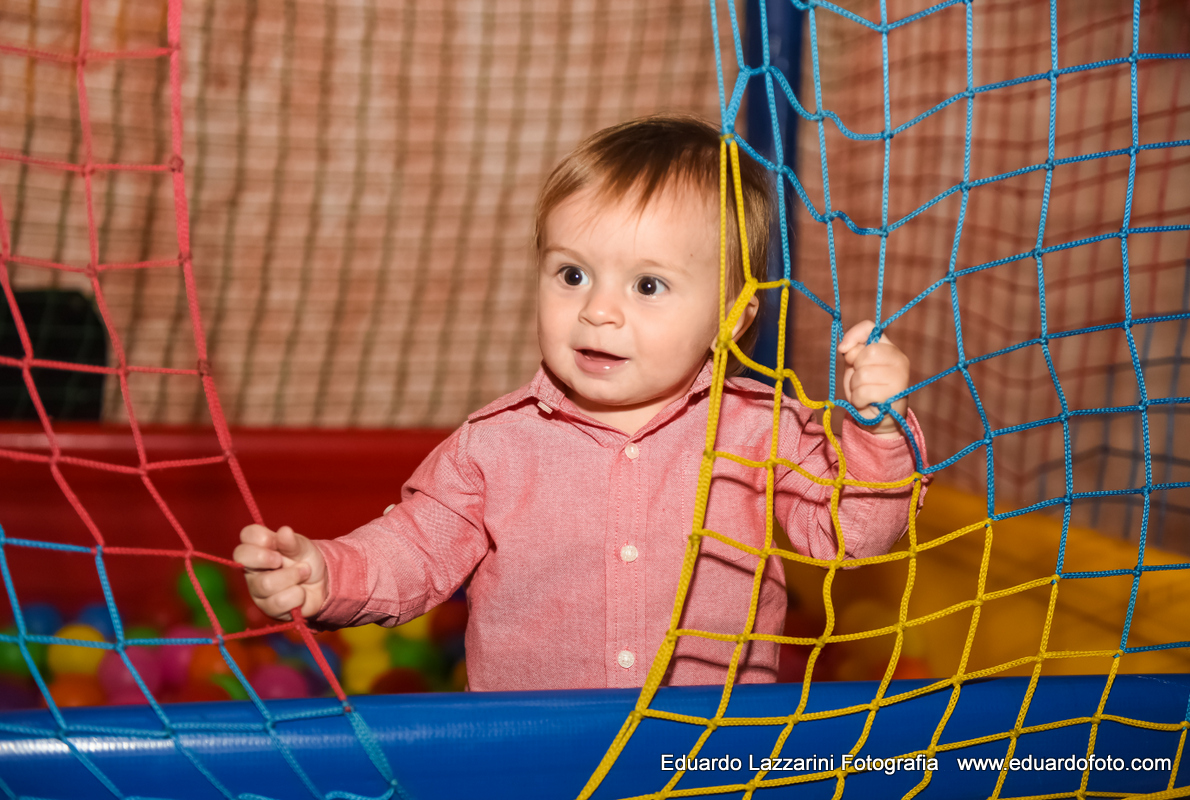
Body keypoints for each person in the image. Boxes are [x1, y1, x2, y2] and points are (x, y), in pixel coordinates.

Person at [234, 115, 927, 691]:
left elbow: (851, 534)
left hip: (706, 748)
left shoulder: (758, 430)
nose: (598, 310)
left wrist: (879, 432)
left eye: (648, 286)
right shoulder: (494, 444)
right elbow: (414, 549)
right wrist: (329, 574)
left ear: (732, 317)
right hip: (533, 752)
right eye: (572, 274)